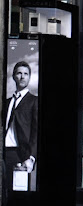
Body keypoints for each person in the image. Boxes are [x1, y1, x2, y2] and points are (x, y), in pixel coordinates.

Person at [3, 61, 38, 198]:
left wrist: (31, 157)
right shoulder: (7, 102)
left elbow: (36, 131)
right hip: (5, 152)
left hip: (21, 153)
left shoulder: (34, 101)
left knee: (18, 193)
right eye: (19, 73)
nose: (22, 77)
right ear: (13, 76)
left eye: (26, 74)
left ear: (29, 77)